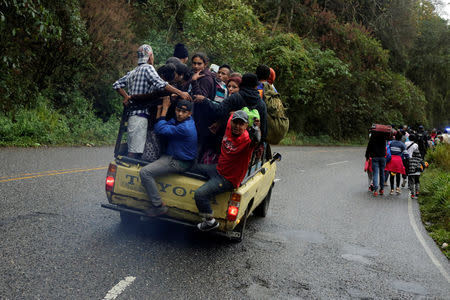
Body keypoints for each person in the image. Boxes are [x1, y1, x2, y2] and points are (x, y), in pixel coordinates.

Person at [113, 44, 191, 159]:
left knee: (134, 147)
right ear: (150, 57)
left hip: (133, 115)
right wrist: (180, 93)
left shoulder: (134, 71)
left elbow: (117, 84)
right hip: (140, 116)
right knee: (134, 151)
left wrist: (126, 97)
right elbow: (161, 84)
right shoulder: (148, 68)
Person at [193, 110, 261, 231]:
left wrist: (257, 129)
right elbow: (230, 114)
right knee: (194, 167)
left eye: (241, 124)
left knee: (199, 194)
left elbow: (256, 140)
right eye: (236, 122)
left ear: (246, 126)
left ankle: (210, 222)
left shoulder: (247, 140)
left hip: (228, 179)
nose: (237, 126)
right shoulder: (230, 126)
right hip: (218, 169)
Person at [139, 98, 197, 216]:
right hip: (174, 156)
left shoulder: (185, 127)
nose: (180, 114)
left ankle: (158, 206)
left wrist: (164, 108)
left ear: (189, 114)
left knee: (145, 172)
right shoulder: (180, 121)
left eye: (184, 112)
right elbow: (162, 125)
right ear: (175, 109)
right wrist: (161, 112)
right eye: (178, 110)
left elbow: (159, 129)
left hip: (179, 161)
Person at [365, 130, 388, 196]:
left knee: (375, 173)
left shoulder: (372, 138)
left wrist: (367, 156)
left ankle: (375, 190)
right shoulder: (384, 138)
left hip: (375, 158)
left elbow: (368, 148)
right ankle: (382, 189)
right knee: (382, 173)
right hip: (383, 157)